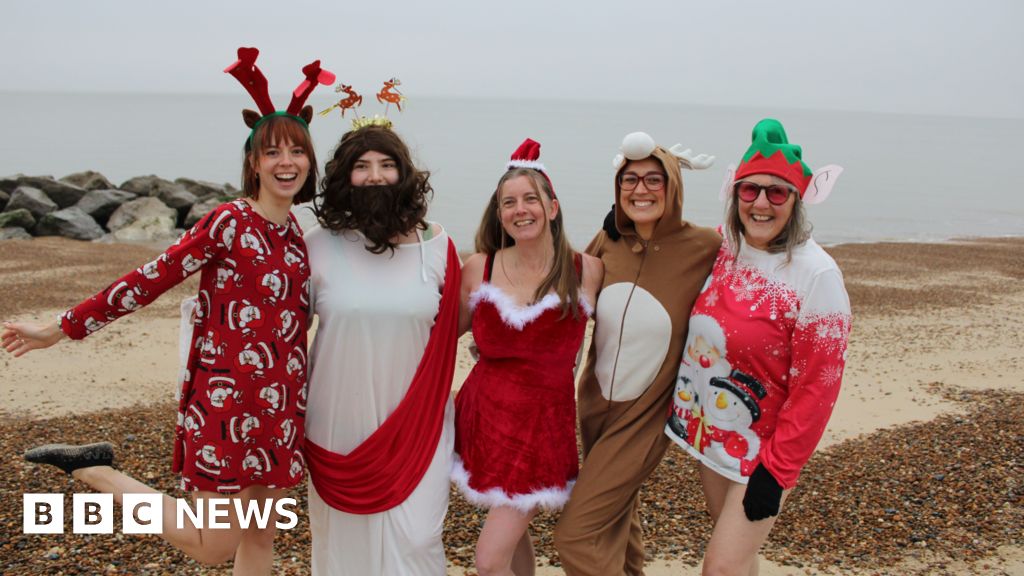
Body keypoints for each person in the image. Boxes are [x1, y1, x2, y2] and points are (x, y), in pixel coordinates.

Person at [2, 47, 333, 575]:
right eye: (272, 153)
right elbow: (149, 278)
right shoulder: (228, 221)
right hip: (224, 404)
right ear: (253, 162)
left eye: (296, 151)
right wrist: (58, 329)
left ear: (310, 162)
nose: (286, 162)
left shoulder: (299, 236)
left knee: (262, 538)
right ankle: (99, 472)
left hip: (279, 407)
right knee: (214, 546)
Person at [665, 118, 851, 575]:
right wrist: (626, 228)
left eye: (777, 192)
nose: (762, 203)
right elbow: (672, 244)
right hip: (713, 432)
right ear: (736, 195)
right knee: (739, 557)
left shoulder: (818, 276)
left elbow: (817, 389)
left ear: (797, 199)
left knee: (720, 566)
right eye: (750, 191)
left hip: (765, 452)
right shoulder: (727, 246)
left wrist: (778, 470)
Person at [553, 131, 721, 575]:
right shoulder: (607, 243)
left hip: (645, 416)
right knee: (616, 518)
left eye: (653, 180)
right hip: (592, 405)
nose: (640, 189)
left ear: (673, 187)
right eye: (630, 180)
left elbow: (759, 264)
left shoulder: (706, 248)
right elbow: (568, 304)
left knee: (577, 536)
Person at [301, 121, 462, 576]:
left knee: (418, 539)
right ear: (343, 177)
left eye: (387, 165)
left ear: (405, 175)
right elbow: (280, 332)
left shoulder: (439, 248)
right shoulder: (316, 246)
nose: (374, 175)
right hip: (337, 423)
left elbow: (470, 323)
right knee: (342, 546)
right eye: (362, 166)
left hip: (420, 420)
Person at [453, 138, 603, 576]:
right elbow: (442, 336)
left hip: (542, 434)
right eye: (509, 202)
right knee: (514, 542)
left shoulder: (586, 270)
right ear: (499, 214)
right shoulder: (478, 267)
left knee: (488, 559)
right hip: (483, 422)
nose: (521, 210)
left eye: (530, 199)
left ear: (552, 208)